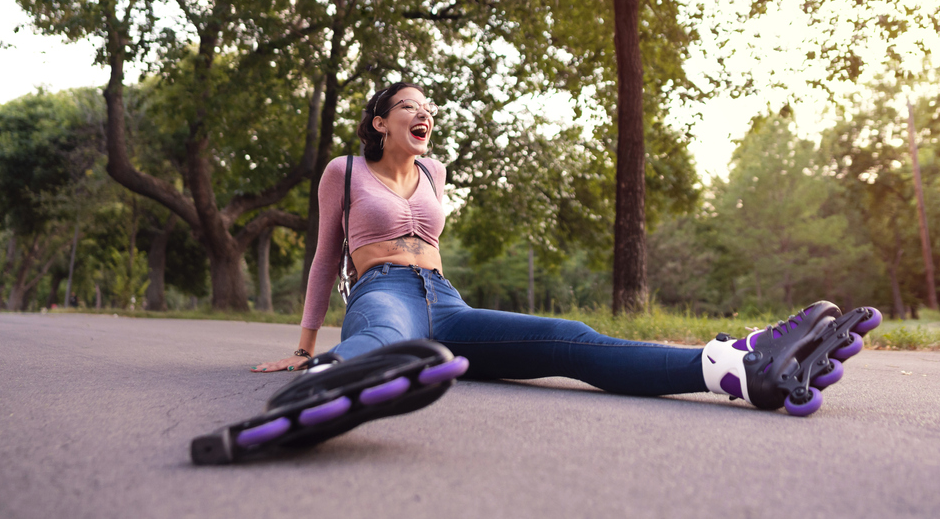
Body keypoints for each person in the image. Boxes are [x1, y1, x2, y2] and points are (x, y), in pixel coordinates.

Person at [253, 82, 880, 416]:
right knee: (385, 336)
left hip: (446, 303)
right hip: (382, 288)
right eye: (409, 107)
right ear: (379, 123)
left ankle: (736, 370)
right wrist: (304, 347)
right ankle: (330, 381)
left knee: (570, 337)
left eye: (430, 109)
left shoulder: (436, 172)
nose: (424, 115)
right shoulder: (343, 171)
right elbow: (323, 256)